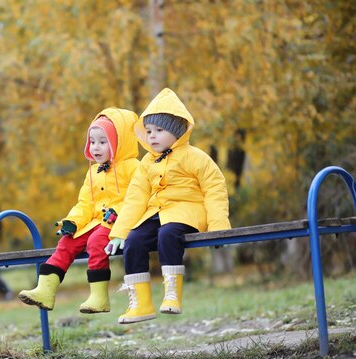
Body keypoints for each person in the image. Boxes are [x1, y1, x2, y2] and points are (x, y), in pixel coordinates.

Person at [105, 88, 231, 324]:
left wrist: (218, 226)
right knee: (134, 241)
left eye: (159, 130)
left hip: (187, 213)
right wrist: (119, 232)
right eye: (149, 131)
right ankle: (141, 304)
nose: (152, 136)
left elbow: (215, 189)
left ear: (177, 131)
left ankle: (172, 294)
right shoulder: (147, 162)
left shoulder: (195, 157)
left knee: (168, 234)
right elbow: (135, 198)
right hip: (157, 215)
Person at [19, 108, 140, 313]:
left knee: (96, 242)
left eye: (103, 142)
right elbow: (85, 203)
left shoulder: (132, 167)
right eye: (92, 142)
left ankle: (99, 297)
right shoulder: (92, 172)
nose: (96, 147)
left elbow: (136, 198)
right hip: (93, 222)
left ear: (119, 142)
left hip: (118, 222)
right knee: (67, 242)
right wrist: (73, 221)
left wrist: (115, 212)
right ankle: (46, 290)